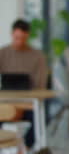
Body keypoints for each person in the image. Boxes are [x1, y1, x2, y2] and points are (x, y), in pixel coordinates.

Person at [0, 19, 48, 149]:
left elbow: (41, 83)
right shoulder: (3, 53)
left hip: (29, 103)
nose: (19, 41)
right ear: (11, 34)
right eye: (16, 38)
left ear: (27, 36)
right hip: (6, 101)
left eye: (22, 38)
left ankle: (26, 148)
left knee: (36, 119)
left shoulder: (37, 56)